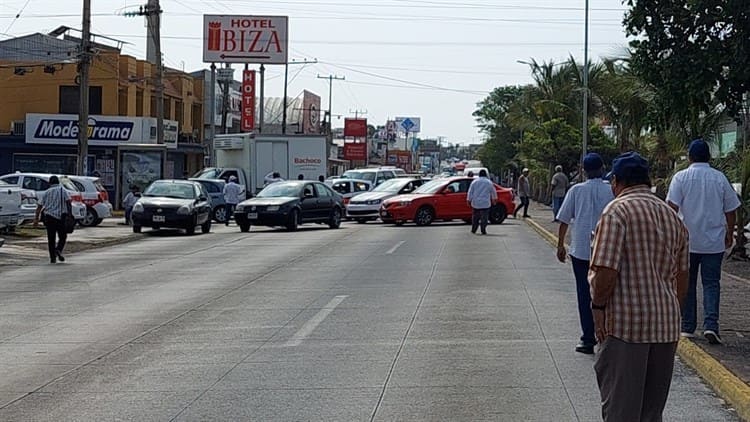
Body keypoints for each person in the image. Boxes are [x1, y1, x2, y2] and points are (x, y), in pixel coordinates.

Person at [589, 151, 689, 422]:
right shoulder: (672, 217)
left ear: (617, 182)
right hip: (665, 328)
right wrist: (672, 311)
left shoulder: (616, 211)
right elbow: (682, 276)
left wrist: (598, 307)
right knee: (651, 413)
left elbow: (606, 271)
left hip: (626, 327)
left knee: (621, 412)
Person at [666, 139, 740, 344]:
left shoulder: (680, 178)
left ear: (689, 157)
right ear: (709, 157)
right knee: (711, 284)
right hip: (713, 242)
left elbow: (671, 207)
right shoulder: (720, 178)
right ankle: (711, 325)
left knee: (686, 282)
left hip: (686, 241)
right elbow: (731, 209)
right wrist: (729, 232)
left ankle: (688, 326)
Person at [556, 153, 614, 354]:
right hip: (607, 249)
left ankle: (587, 338)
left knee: (584, 293)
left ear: (583, 170)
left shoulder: (576, 190)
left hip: (581, 250)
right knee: (607, 292)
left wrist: (560, 245)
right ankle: (607, 335)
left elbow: (564, 219)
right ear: (603, 168)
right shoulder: (612, 191)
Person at [32, 175, 72, 264]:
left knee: (51, 239)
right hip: (61, 217)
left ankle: (52, 258)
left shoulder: (46, 192)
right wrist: (70, 215)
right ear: (58, 182)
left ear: (50, 183)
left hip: (49, 217)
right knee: (62, 236)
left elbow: (39, 206)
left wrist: (36, 219)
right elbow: (68, 202)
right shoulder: (63, 190)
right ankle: (58, 250)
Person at [466, 169, 498, 235]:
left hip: (476, 203)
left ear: (479, 175)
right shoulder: (489, 182)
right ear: (486, 175)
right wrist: (494, 199)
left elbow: (470, 192)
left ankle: (474, 229)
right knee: (484, 218)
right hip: (485, 203)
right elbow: (493, 192)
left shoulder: (474, 182)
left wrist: (469, 200)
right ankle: (483, 229)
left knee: (475, 217)